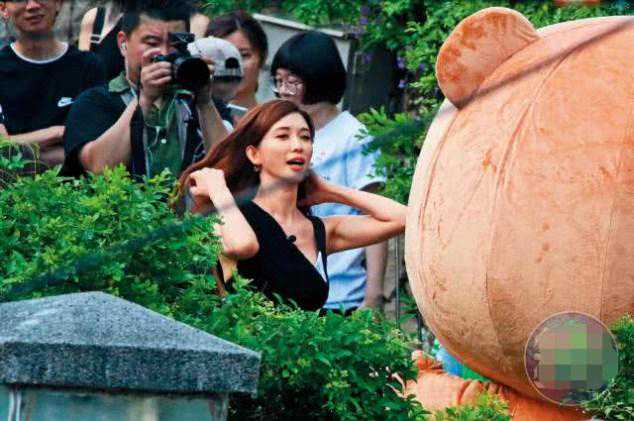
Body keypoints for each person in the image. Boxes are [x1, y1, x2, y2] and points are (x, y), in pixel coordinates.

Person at [179, 99, 406, 311]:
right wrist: (219, 190)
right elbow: (243, 245)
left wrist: (331, 191)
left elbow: (404, 219)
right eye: (283, 136)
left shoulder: (320, 230)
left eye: (305, 137)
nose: (297, 145)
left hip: (305, 341)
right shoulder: (227, 215)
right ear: (254, 154)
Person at [270, 31, 388, 314]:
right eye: (278, 80)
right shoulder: (279, 130)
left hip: (339, 295)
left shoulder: (353, 136)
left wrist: (373, 296)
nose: (283, 90)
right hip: (284, 293)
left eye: (292, 81)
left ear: (318, 77)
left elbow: (376, 216)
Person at [64, 0, 228, 178]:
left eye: (175, 44)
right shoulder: (95, 101)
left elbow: (228, 166)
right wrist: (144, 99)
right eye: (152, 43)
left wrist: (205, 101)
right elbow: (99, 169)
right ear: (123, 43)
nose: (164, 53)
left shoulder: (198, 102)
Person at [0, 0, 105, 167]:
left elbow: (98, 150)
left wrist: (20, 147)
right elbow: (2, 147)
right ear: (3, 9)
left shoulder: (88, 66)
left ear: (58, 3)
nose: (32, 6)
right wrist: (58, 132)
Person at [78, 0, 209, 81]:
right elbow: (82, 77)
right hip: (104, 110)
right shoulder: (96, 19)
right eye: (152, 43)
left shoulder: (194, 21)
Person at [207, 10, 267, 118]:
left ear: (262, 57)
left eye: (243, 55)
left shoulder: (274, 123)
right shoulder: (188, 116)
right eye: (221, 55)